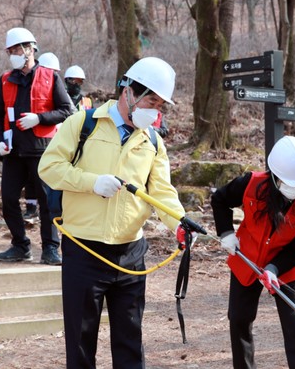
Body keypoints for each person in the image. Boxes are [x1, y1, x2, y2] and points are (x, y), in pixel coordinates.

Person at [38, 57, 185, 368]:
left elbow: (161, 192)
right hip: (83, 250)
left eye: (160, 104)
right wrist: (92, 183)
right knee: (80, 343)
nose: (155, 109)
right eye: (151, 100)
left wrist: (180, 223)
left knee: (130, 343)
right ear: (128, 91)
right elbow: (49, 168)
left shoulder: (153, 141)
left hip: (131, 254)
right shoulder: (82, 124)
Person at [211, 135, 295, 369]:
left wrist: (274, 269)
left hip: (287, 267)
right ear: (275, 177)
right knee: (240, 319)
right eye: (289, 183)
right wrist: (226, 233)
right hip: (247, 258)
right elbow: (219, 199)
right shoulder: (252, 184)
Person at [0, 27, 74, 265]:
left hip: (42, 150)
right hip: (13, 152)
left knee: (48, 203)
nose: (13, 54)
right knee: (8, 199)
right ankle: (20, 245)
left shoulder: (50, 76)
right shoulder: (5, 80)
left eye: (17, 49)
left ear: (30, 49)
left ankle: (50, 248)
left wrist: (40, 118)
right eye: (10, 51)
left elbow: (68, 110)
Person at [21, 52, 62, 219]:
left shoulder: (58, 85)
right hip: (38, 140)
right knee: (32, 178)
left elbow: (66, 110)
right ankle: (31, 208)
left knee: (50, 179)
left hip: (57, 138)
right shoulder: (32, 85)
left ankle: (55, 210)